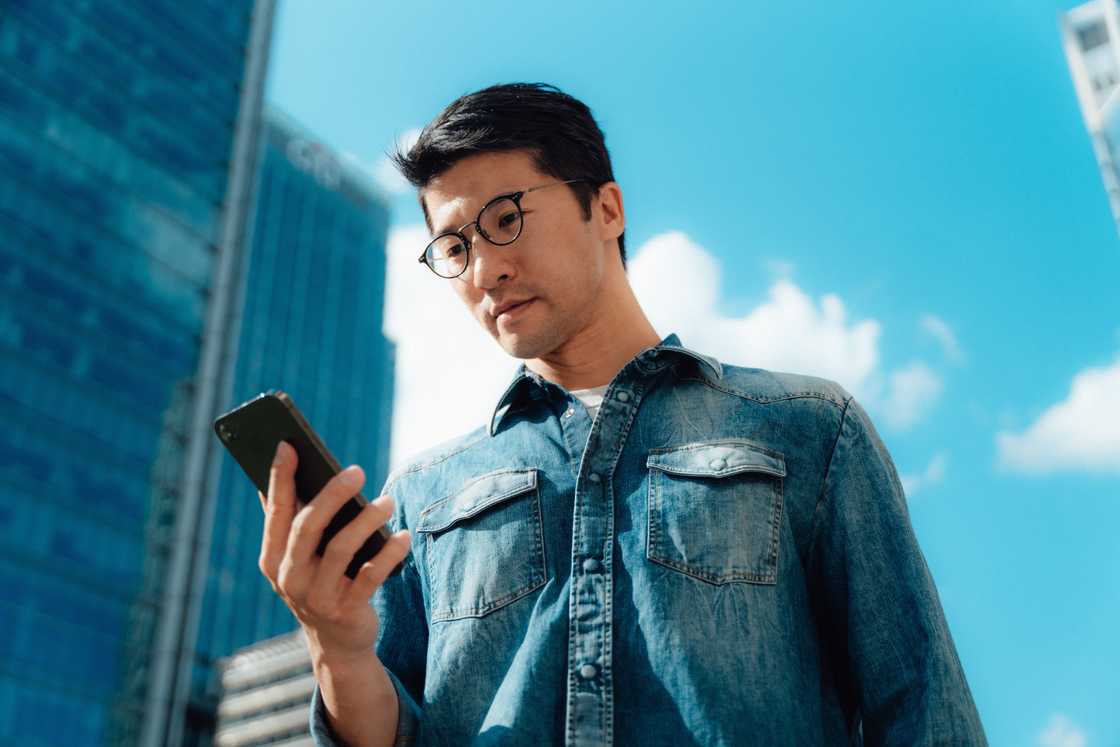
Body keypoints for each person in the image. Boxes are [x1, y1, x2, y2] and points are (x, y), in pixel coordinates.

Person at [257, 82, 987, 746]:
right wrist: (338, 646)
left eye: (504, 218)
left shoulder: (811, 428)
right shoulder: (423, 493)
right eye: (455, 246)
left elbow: (924, 710)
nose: (484, 270)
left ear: (606, 208)